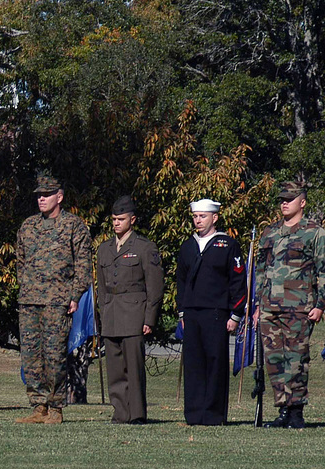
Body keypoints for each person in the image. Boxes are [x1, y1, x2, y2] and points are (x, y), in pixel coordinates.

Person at [16, 174, 93, 425]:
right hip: (30, 300)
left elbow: (83, 264)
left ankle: (56, 406)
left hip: (57, 301)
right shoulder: (28, 226)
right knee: (31, 357)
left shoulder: (73, 226)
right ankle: (38, 406)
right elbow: (20, 262)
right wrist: (25, 287)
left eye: (46, 194)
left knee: (54, 356)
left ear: (59, 197)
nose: (41, 198)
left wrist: (74, 296)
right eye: (39, 195)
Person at [254, 181, 325, 429]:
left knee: (296, 359)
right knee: (275, 360)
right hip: (269, 307)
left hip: (299, 306)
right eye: (282, 199)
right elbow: (261, 271)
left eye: (290, 199)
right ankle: (282, 409)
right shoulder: (270, 232)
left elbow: (323, 270)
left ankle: (296, 411)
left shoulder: (314, 232)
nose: (284, 203)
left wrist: (321, 304)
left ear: (302, 202)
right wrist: (257, 305)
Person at [176, 199, 247, 426]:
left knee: (215, 363)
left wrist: (235, 314)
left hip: (217, 313)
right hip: (192, 313)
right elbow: (181, 281)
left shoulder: (227, 245)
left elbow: (237, 281)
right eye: (195, 216)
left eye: (203, 216)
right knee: (194, 364)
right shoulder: (188, 246)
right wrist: (182, 313)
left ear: (214, 218)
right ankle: (195, 413)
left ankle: (214, 415)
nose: (198, 220)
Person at [95, 196, 164, 424]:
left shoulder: (145, 247)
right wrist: (102, 312)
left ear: (132, 220)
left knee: (134, 368)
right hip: (111, 314)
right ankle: (120, 412)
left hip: (134, 314)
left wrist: (149, 319)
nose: (116, 223)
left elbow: (154, 287)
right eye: (114, 219)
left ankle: (136, 414)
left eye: (121, 219)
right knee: (114, 369)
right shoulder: (104, 249)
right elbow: (102, 288)